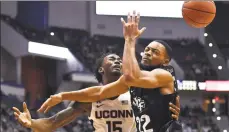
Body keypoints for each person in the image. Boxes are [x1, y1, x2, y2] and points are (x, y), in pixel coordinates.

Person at [38, 11, 182, 132]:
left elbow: (130, 76)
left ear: (166, 61)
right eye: (147, 50)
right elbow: (99, 93)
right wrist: (62, 96)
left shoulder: (163, 74)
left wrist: (130, 40)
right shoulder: (137, 80)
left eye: (155, 52)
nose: (148, 53)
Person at [13, 53, 180, 132]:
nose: (118, 61)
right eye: (112, 59)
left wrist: (172, 111)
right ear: (101, 68)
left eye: (120, 60)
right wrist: (31, 123)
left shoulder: (137, 91)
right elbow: (52, 123)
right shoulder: (87, 100)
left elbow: (164, 109)